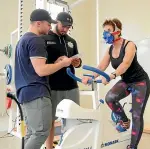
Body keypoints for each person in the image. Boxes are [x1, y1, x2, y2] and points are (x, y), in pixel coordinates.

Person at [82, 18, 150, 149]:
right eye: (104, 31)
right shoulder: (110, 49)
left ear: (117, 31)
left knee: (137, 115)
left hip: (140, 81)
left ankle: (133, 146)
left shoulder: (129, 45)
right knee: (110, 98)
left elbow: (125, 64)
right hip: (126, 81)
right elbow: (101, 65)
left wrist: (112, 75)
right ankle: (124, 121)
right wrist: (91, 77)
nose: (105, 33)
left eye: (108, 30)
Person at [14, 9, 73, 149]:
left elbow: (33, 67)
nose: (49, 27)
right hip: (37, 93)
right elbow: (41, 71)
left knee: (32, 133)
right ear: (38, 23)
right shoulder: (36, 40)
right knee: (41, 133)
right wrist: (62, 64)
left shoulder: (22, 41)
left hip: (24, 93)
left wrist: (56, 63)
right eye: (48, 24)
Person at [42, 12, 82, 149]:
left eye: (68, 27)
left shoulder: (72, 41)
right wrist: (56, 62)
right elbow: (41, 64)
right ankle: (49, 147)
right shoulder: (45, 38)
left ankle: (68, 145)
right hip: (53, 86)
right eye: (63, 26)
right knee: (51, 120)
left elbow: (77, 61)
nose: (65, 29)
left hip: (71, 85)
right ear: (56, 22)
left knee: (72, 118)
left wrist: (77, 63)